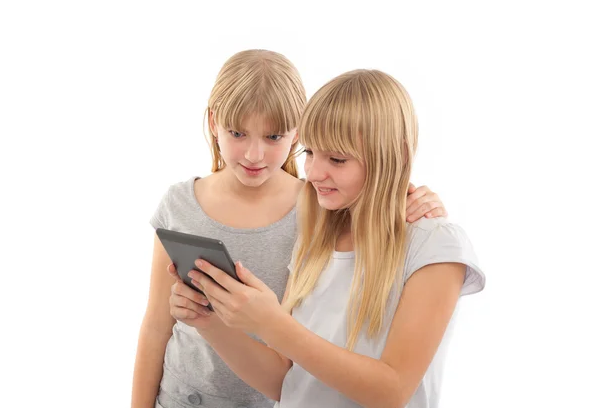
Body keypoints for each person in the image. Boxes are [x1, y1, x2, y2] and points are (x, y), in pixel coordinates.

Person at [132, 49, 447, 408]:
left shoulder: (320, 206)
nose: (254, 155)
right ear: (213, 122)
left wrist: (413, 197)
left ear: (297, 132)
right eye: (237, 132)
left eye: (273, 137)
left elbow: (374, 190)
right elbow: (157, 326)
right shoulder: (180, 204)